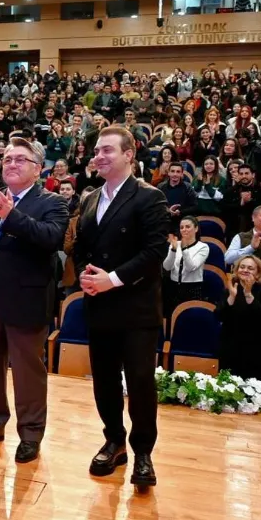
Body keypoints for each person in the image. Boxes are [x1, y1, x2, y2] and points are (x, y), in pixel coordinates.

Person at [0, 136, 68, 464]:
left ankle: (30, 433)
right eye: (7, 160)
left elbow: (51, 239)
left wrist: (10, 217)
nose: (11, 164)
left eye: (20, 159)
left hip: (26, 299)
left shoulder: (51, 202)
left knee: (27, 370)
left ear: (38, 170)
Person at [72, 126, 170, 489]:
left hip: (136, 306)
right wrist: (85, 274)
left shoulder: (150, 197)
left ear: (130, 154)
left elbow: (154, 253)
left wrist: (110, 279)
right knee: (105, 379)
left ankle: (142, 451)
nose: (99, 156)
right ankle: (114, 441)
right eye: (96, 150)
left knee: (141, 381)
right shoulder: (90, 199)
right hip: (99, 304)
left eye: (108, 150)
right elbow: (81, 246)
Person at [216, 256, 261, 382]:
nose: (245, 270)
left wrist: (248, 294)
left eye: (250, 268)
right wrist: (232, 297)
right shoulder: (229, 290)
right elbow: (218, 316)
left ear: (258, 273)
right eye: (242, 267)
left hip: (257, 352)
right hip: (230, 351)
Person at [162, 216, 209, 314]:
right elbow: (166, 267)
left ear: (196, 229)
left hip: (192, 289)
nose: (184, 230)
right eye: (181, 227)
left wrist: (184, 249)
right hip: (173, 287)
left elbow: (191, 267)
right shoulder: (175, 244)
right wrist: (173, 250)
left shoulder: (203, 247)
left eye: (188, 227)